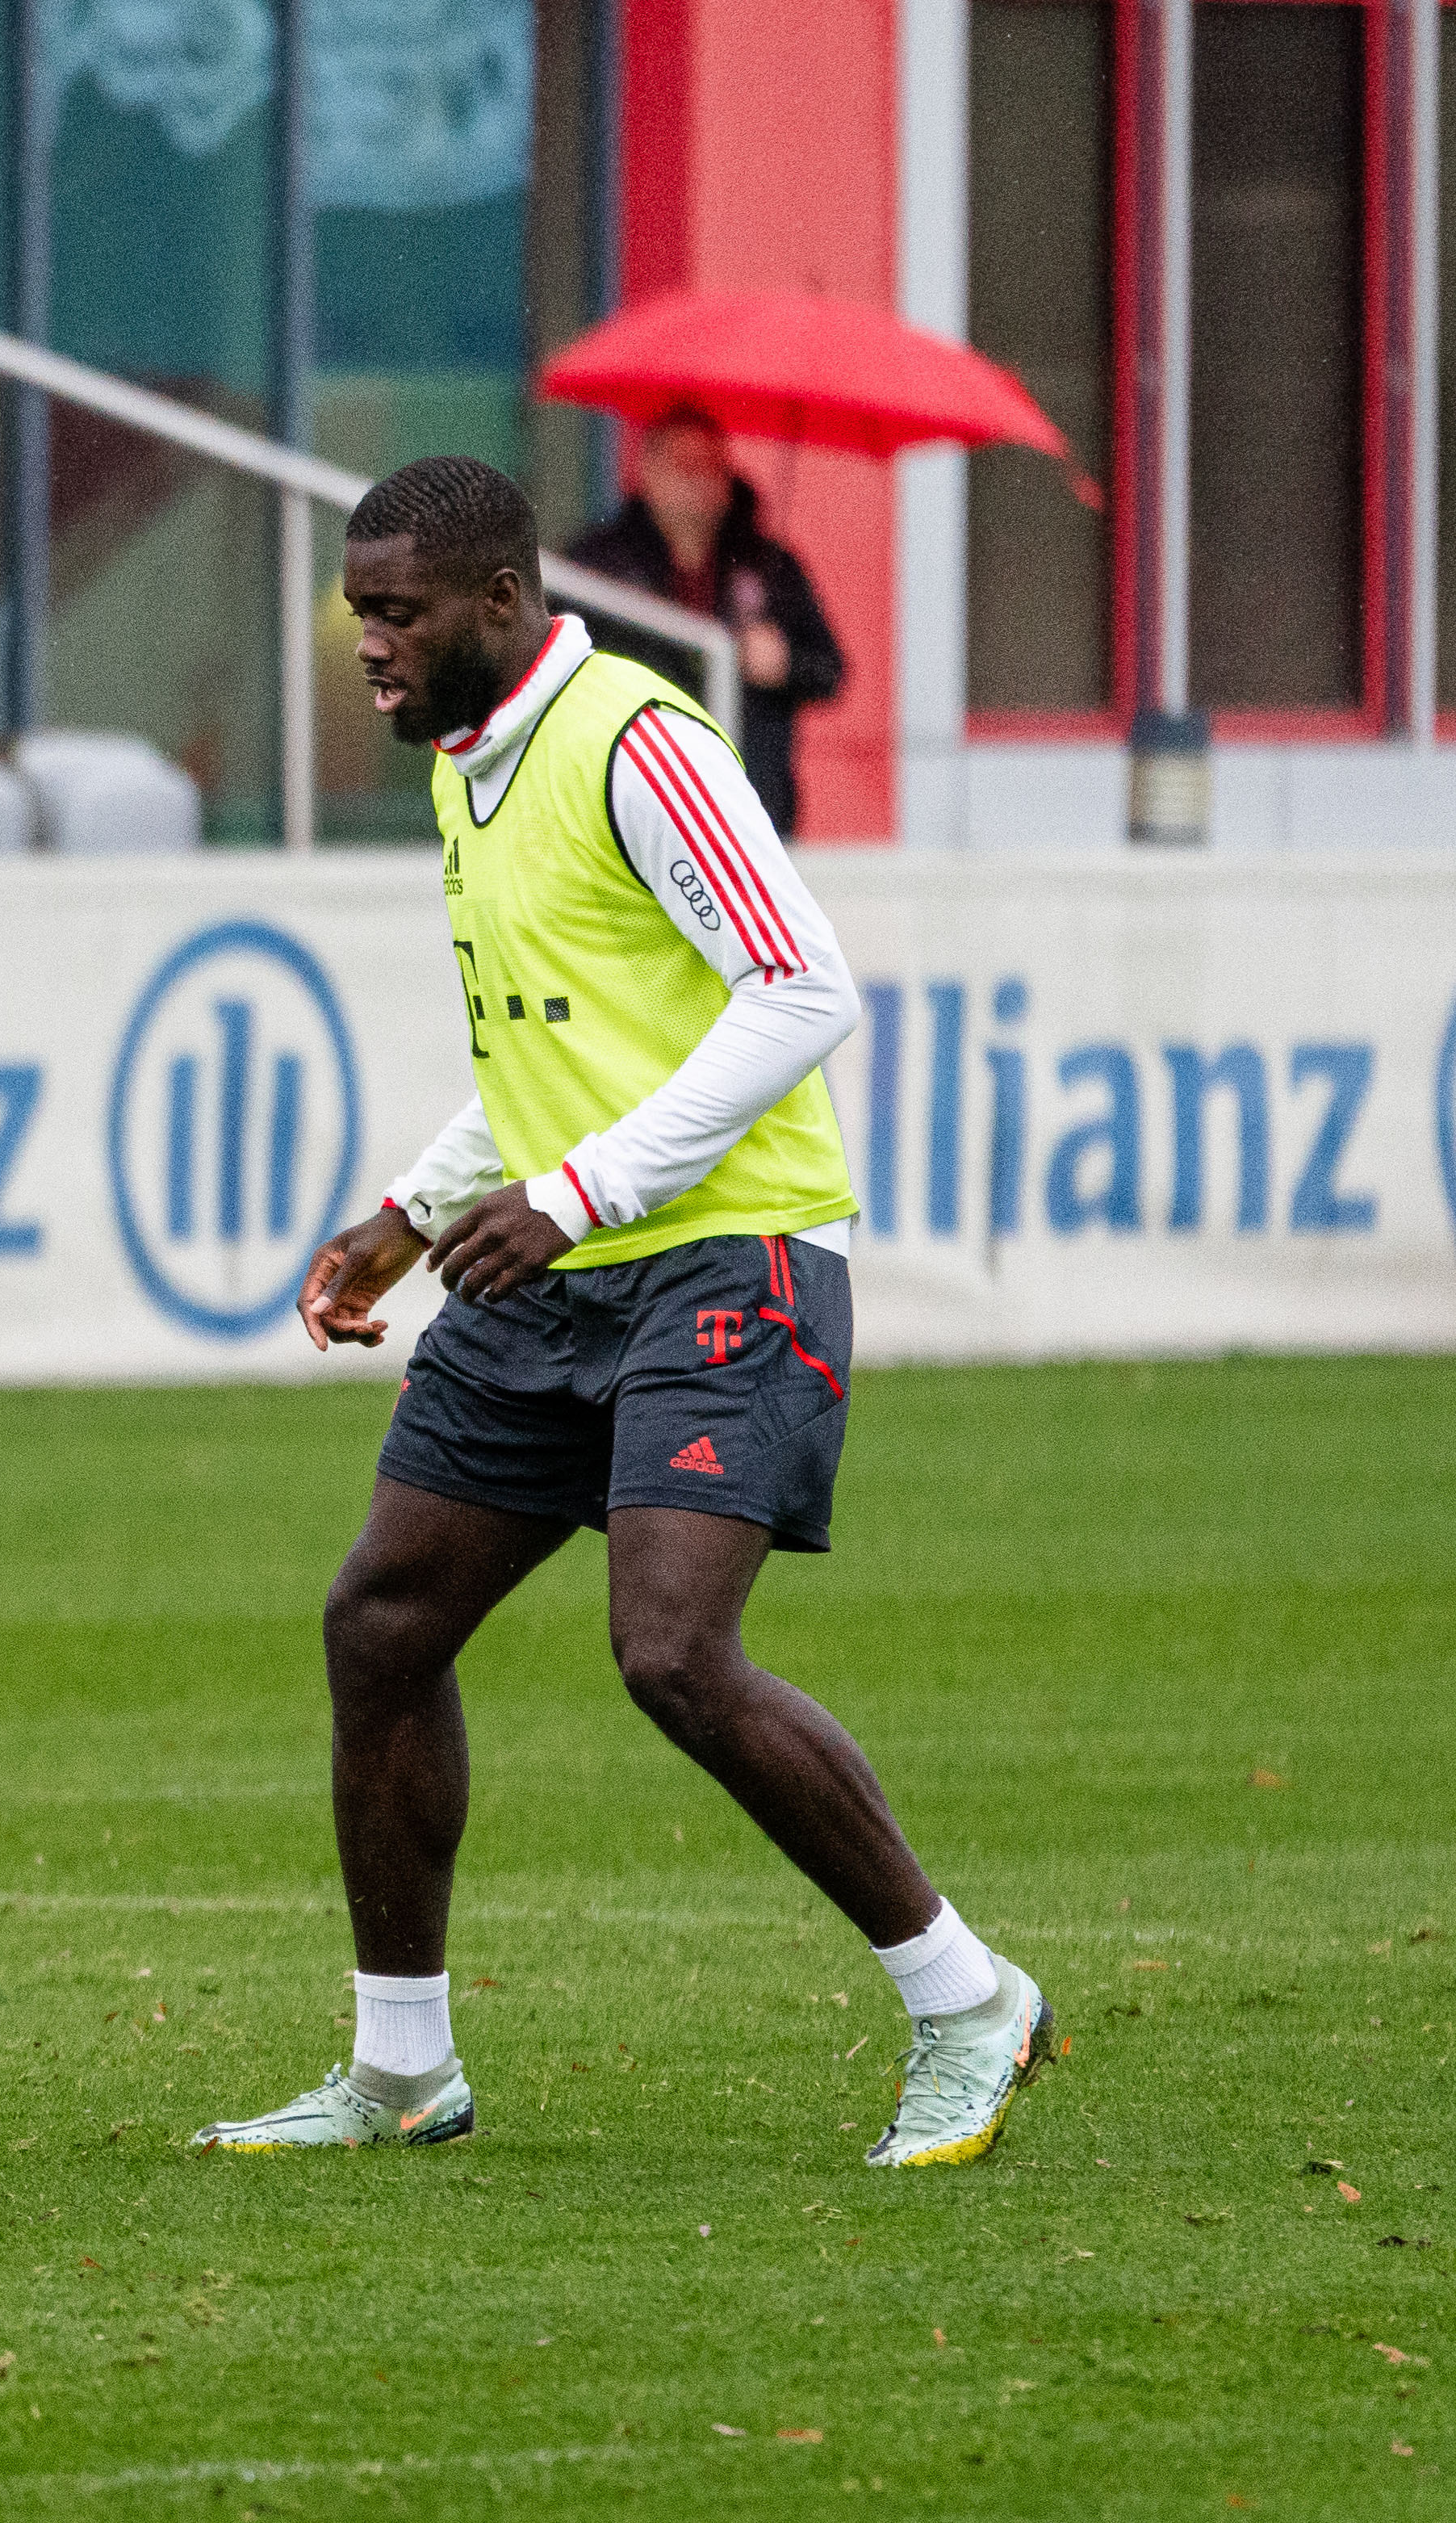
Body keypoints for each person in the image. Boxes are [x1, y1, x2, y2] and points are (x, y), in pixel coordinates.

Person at [199, 454, 1050, 2169]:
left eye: (395, 610)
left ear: (500, 603)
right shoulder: (467, 763)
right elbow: (551, 1045)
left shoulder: (638, 742)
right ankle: (402, 2067)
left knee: (669, 1651)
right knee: (379, 1624)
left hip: (727, 1256)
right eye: (359, 607)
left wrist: (577, 1195)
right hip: (551, 1272)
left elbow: (802, 986)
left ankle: (969, 1999)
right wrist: (409, 1214)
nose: (365, 640)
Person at [556, 403, 846, 834]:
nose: (698, 481)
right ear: (646, 471)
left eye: (711, 466)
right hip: (634, 797)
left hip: (750, 804)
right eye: (683, 466)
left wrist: (784, 663)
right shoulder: (596, 566)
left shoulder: (771, 566)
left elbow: (830, 670)